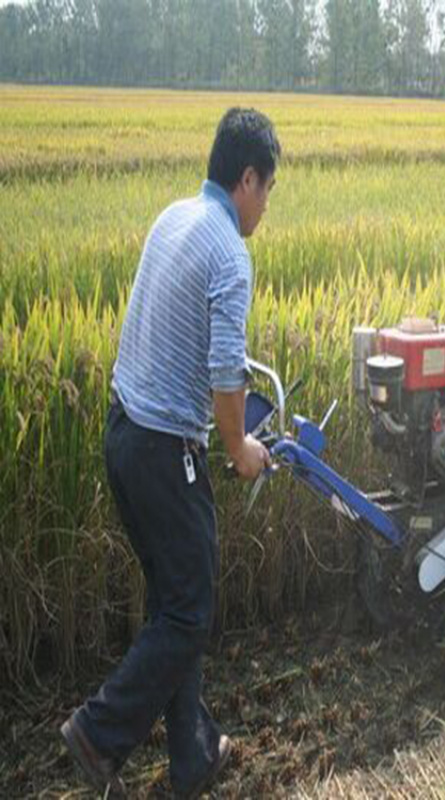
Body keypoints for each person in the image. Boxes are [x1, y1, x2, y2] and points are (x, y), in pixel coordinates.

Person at [60, 107, 280, 798]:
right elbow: (223, 379)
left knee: (176, 604)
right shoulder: (230, 252)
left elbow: (179, 331)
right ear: (247, 178)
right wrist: (242, 447)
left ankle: (192, 756)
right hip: (163, 452)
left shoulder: (174, 217)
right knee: (188, 614)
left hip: (123, 437)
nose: (266, 206)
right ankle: (97, 733)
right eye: (268, 190)